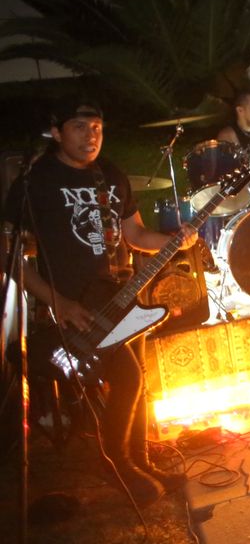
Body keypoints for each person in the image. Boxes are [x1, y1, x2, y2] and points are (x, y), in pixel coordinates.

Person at [2, 101, 198, 506]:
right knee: (128, 379)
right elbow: (9, 252)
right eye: (79, 126)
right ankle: (117, 465)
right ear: (57, 132)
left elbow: (135, 236)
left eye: (96, 127)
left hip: (118, 297)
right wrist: (59, 303)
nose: (91, 135)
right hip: (75, 307)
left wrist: (176, 241)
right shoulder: (36, 180)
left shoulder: (109, 175)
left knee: (138, 379)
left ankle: (139, 461)